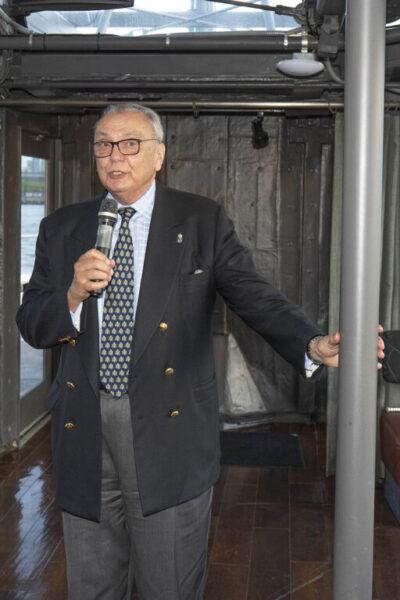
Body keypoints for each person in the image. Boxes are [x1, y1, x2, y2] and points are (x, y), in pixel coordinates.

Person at [16, 103, 382, 600]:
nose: (115, 156)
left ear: (159, 155)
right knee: (92, 581)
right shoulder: (62, 227)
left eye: (130, 144)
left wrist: (311, 343)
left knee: (167, 581)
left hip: (169, 426)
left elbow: (253, 295)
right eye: (103, 144)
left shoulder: (200, 219)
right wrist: (73, 295)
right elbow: (32, 323)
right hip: (84, 425)